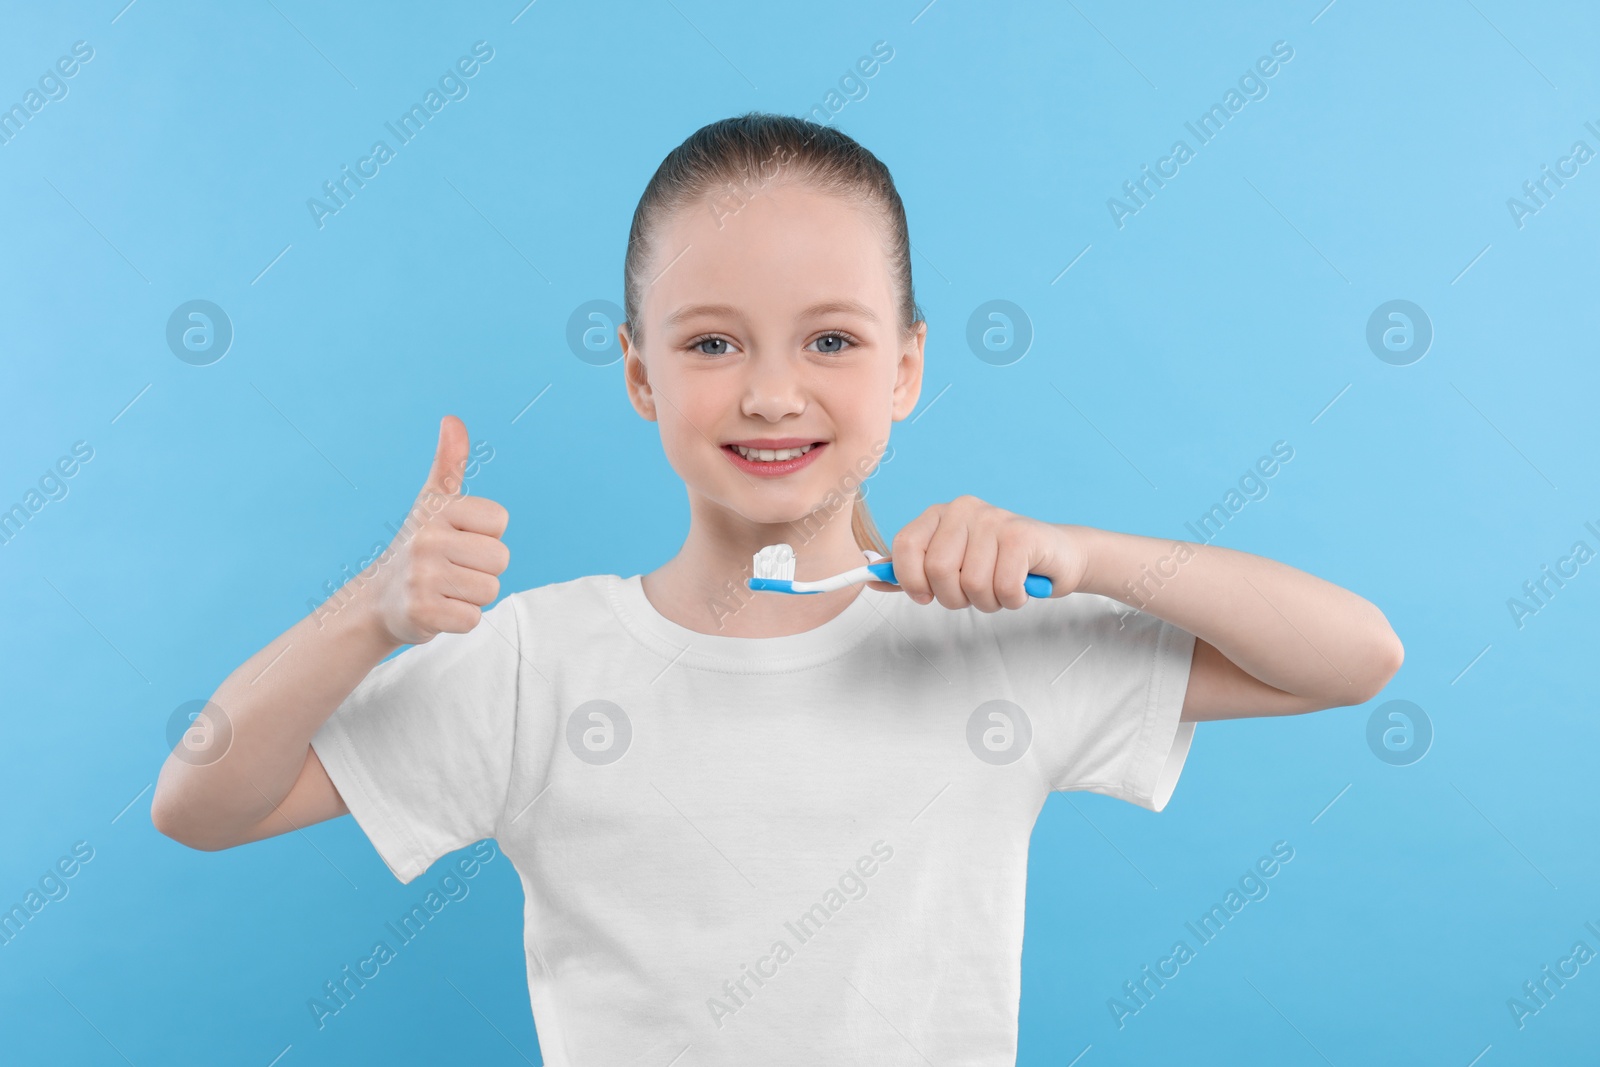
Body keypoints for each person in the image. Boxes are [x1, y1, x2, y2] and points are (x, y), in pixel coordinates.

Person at [151, 112, 1402, 1064]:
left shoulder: (994, 643)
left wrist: (1087, 554)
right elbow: (201, 800)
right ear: (640, 376)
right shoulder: (542, 663)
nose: (769, 392)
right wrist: (367, 612)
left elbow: (1354, 657)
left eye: (832, 339)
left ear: (906, 366)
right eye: (710, 342)